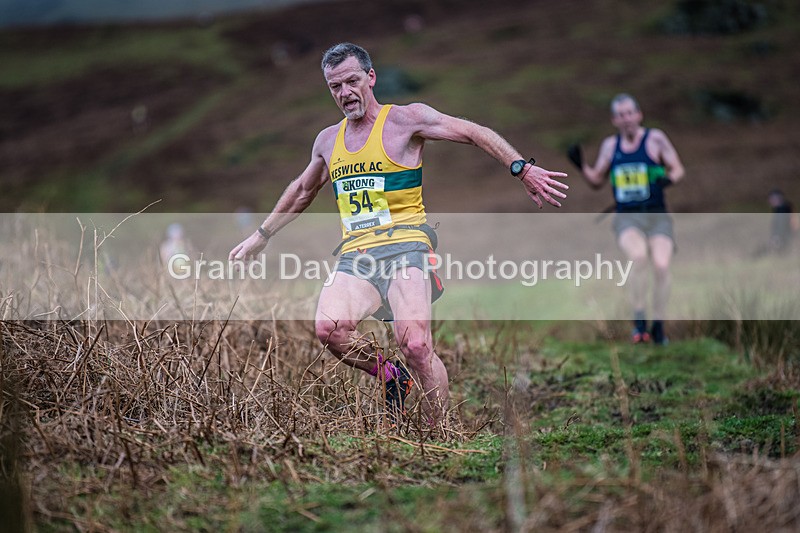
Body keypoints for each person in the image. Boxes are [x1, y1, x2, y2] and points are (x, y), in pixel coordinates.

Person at [229, 43, 569, 424]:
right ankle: (392, 375)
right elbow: (304, 190)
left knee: (417, 345)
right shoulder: (327, 141)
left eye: (351, 81)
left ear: (371, 78)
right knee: (329, 329)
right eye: (334, 86)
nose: (344, 93)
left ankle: (441, 432)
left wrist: (521, 169)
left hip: (407, 247)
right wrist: (262, 235)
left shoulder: (407, 120)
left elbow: (474, 132)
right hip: (357, 254)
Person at [567, 93, 684, 345]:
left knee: (662, 266)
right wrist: (581, 166)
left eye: (630, 113)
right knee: (639, 257)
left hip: (656, 215)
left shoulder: (655, 139)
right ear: (614, 120)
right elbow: (597, 180)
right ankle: (639, 320)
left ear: (639, 114)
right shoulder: (611, 147)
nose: (626, 118)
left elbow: (678, 168)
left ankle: (659, 325)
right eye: (620, 115)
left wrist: (669, 178)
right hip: (627, 217)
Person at [767, 189, 799, 253]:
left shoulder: (783, 209)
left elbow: (782, 224)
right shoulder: (783, 207)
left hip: (785, 236)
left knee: (782, 252)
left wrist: (777, 236)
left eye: (771, 199)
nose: (770, 201)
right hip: (787, 235)